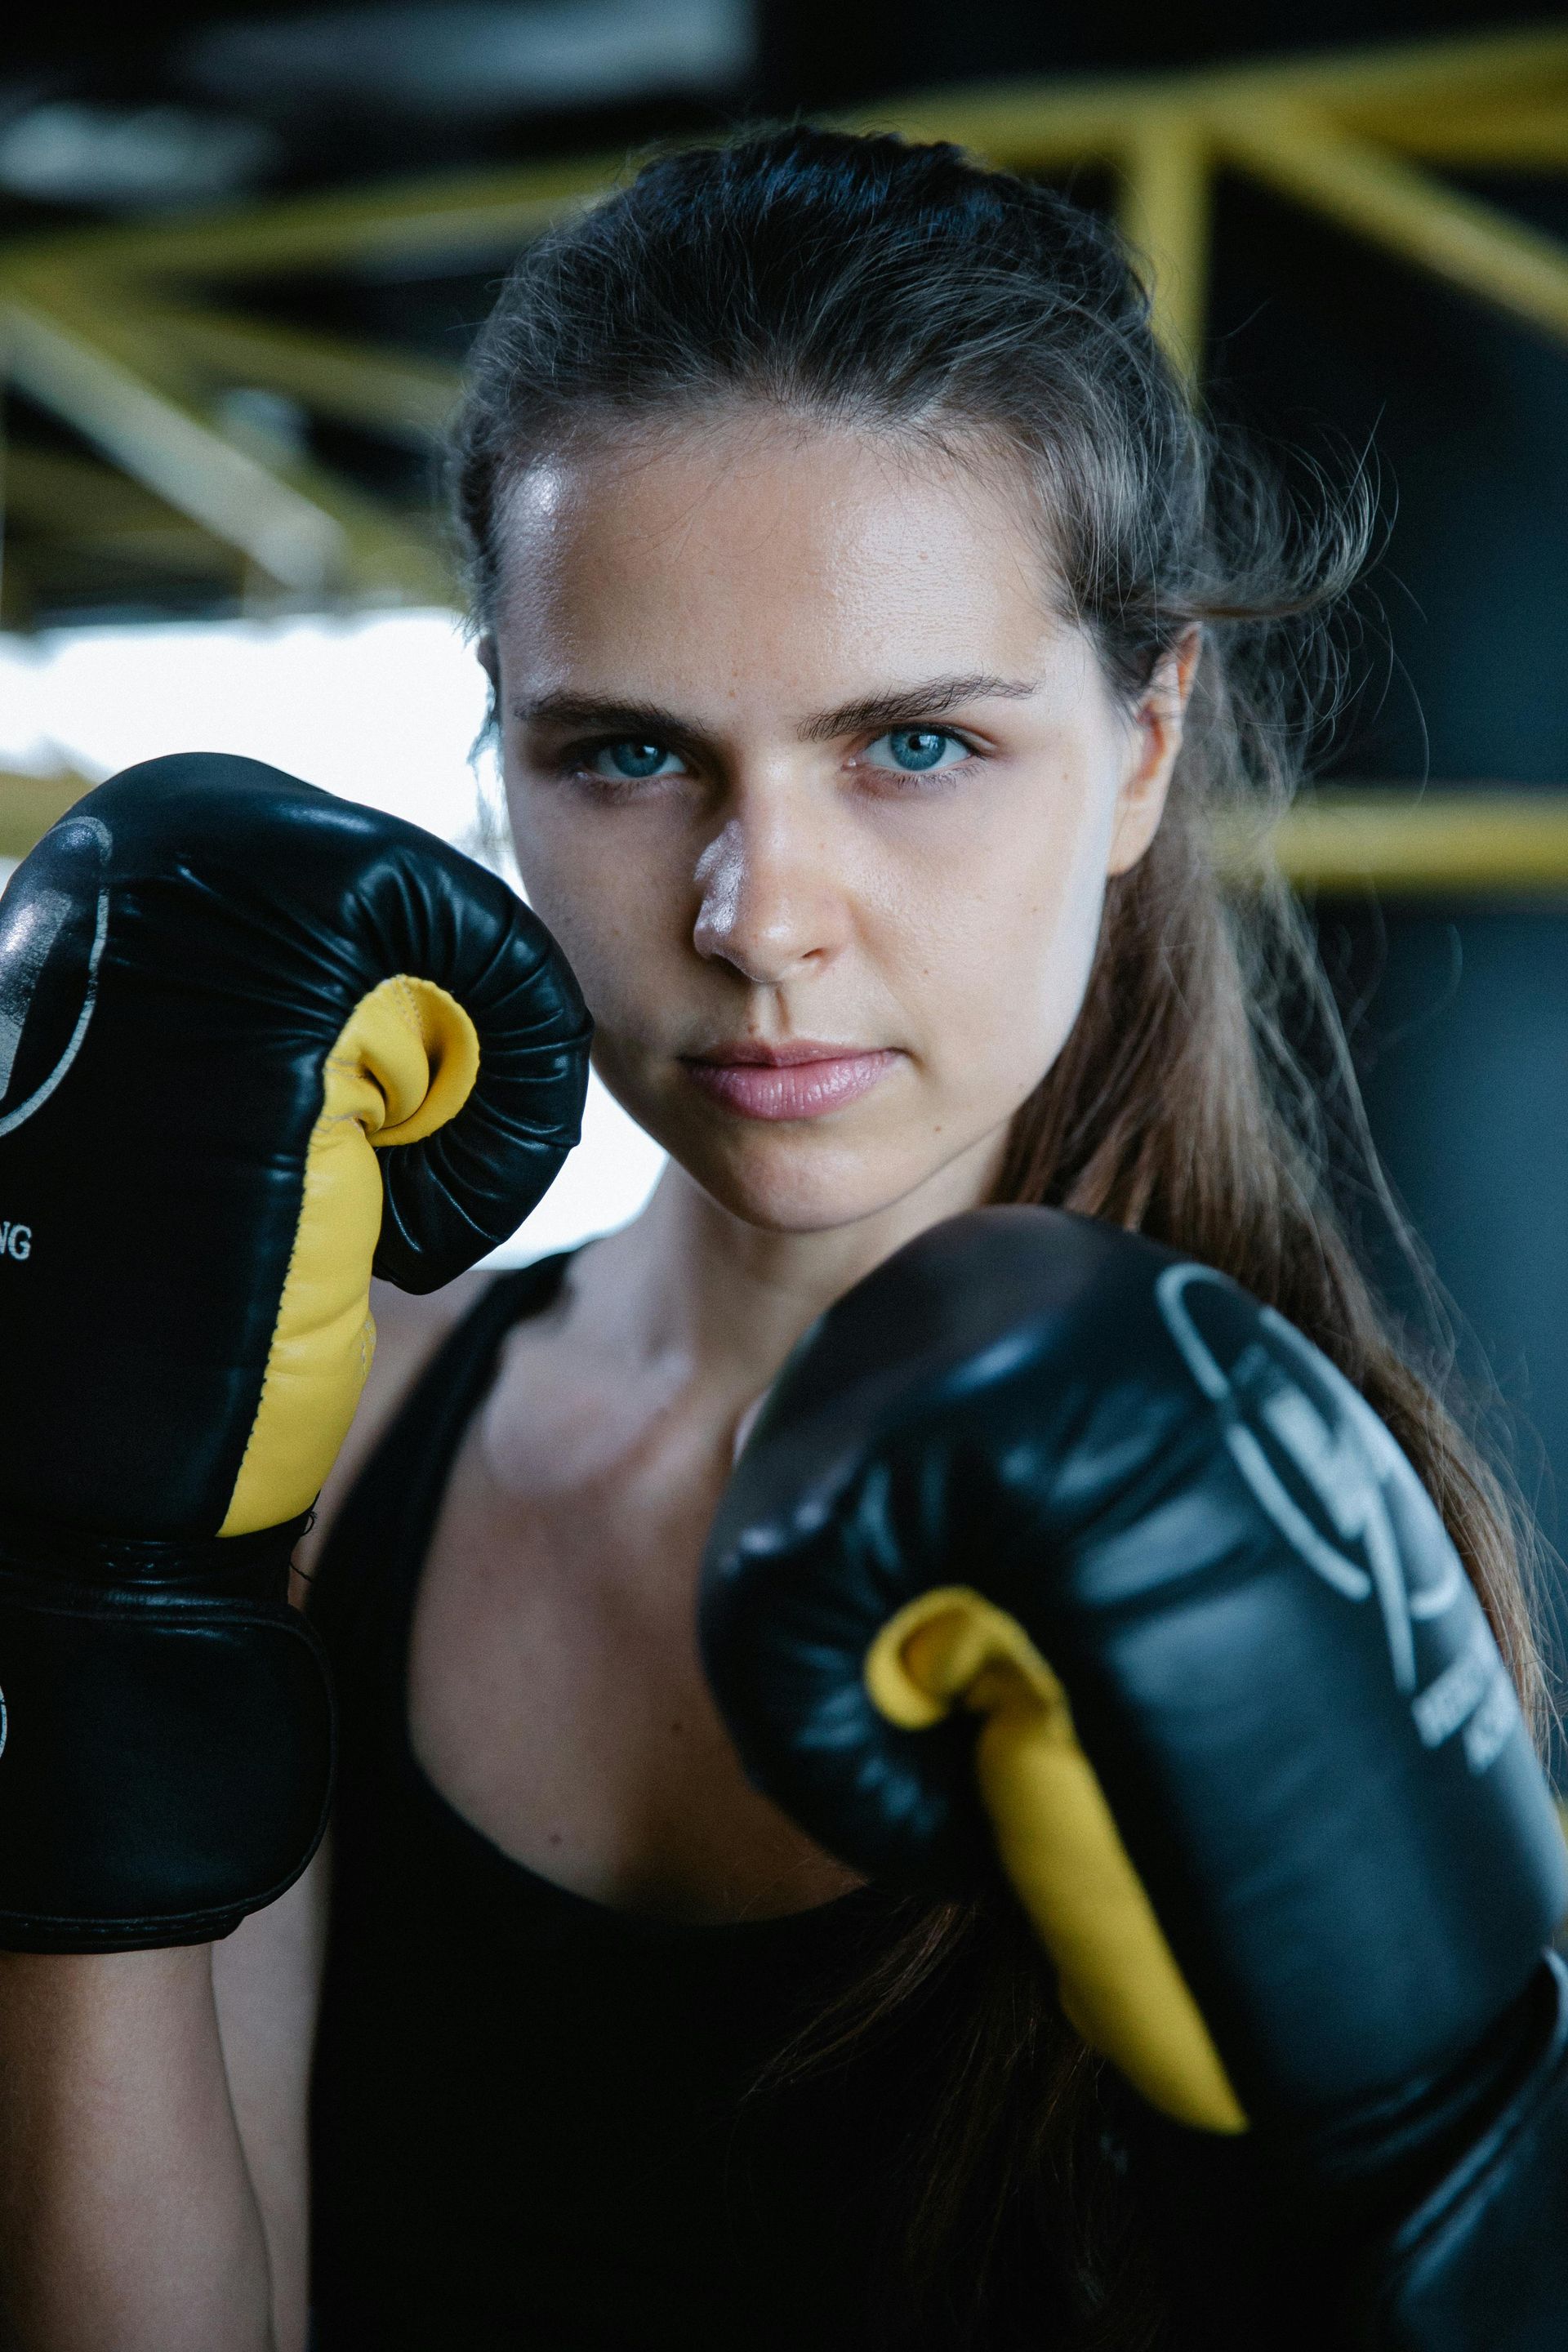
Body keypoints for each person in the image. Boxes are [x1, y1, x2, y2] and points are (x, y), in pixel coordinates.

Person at [0, 125, 1556, 2352]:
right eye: (629, 756)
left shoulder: (1298, 1549)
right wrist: (82, 1624)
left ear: (1141, 744)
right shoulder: (344, 1432)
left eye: (911, 743)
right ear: (501, 752)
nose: (755, 921)